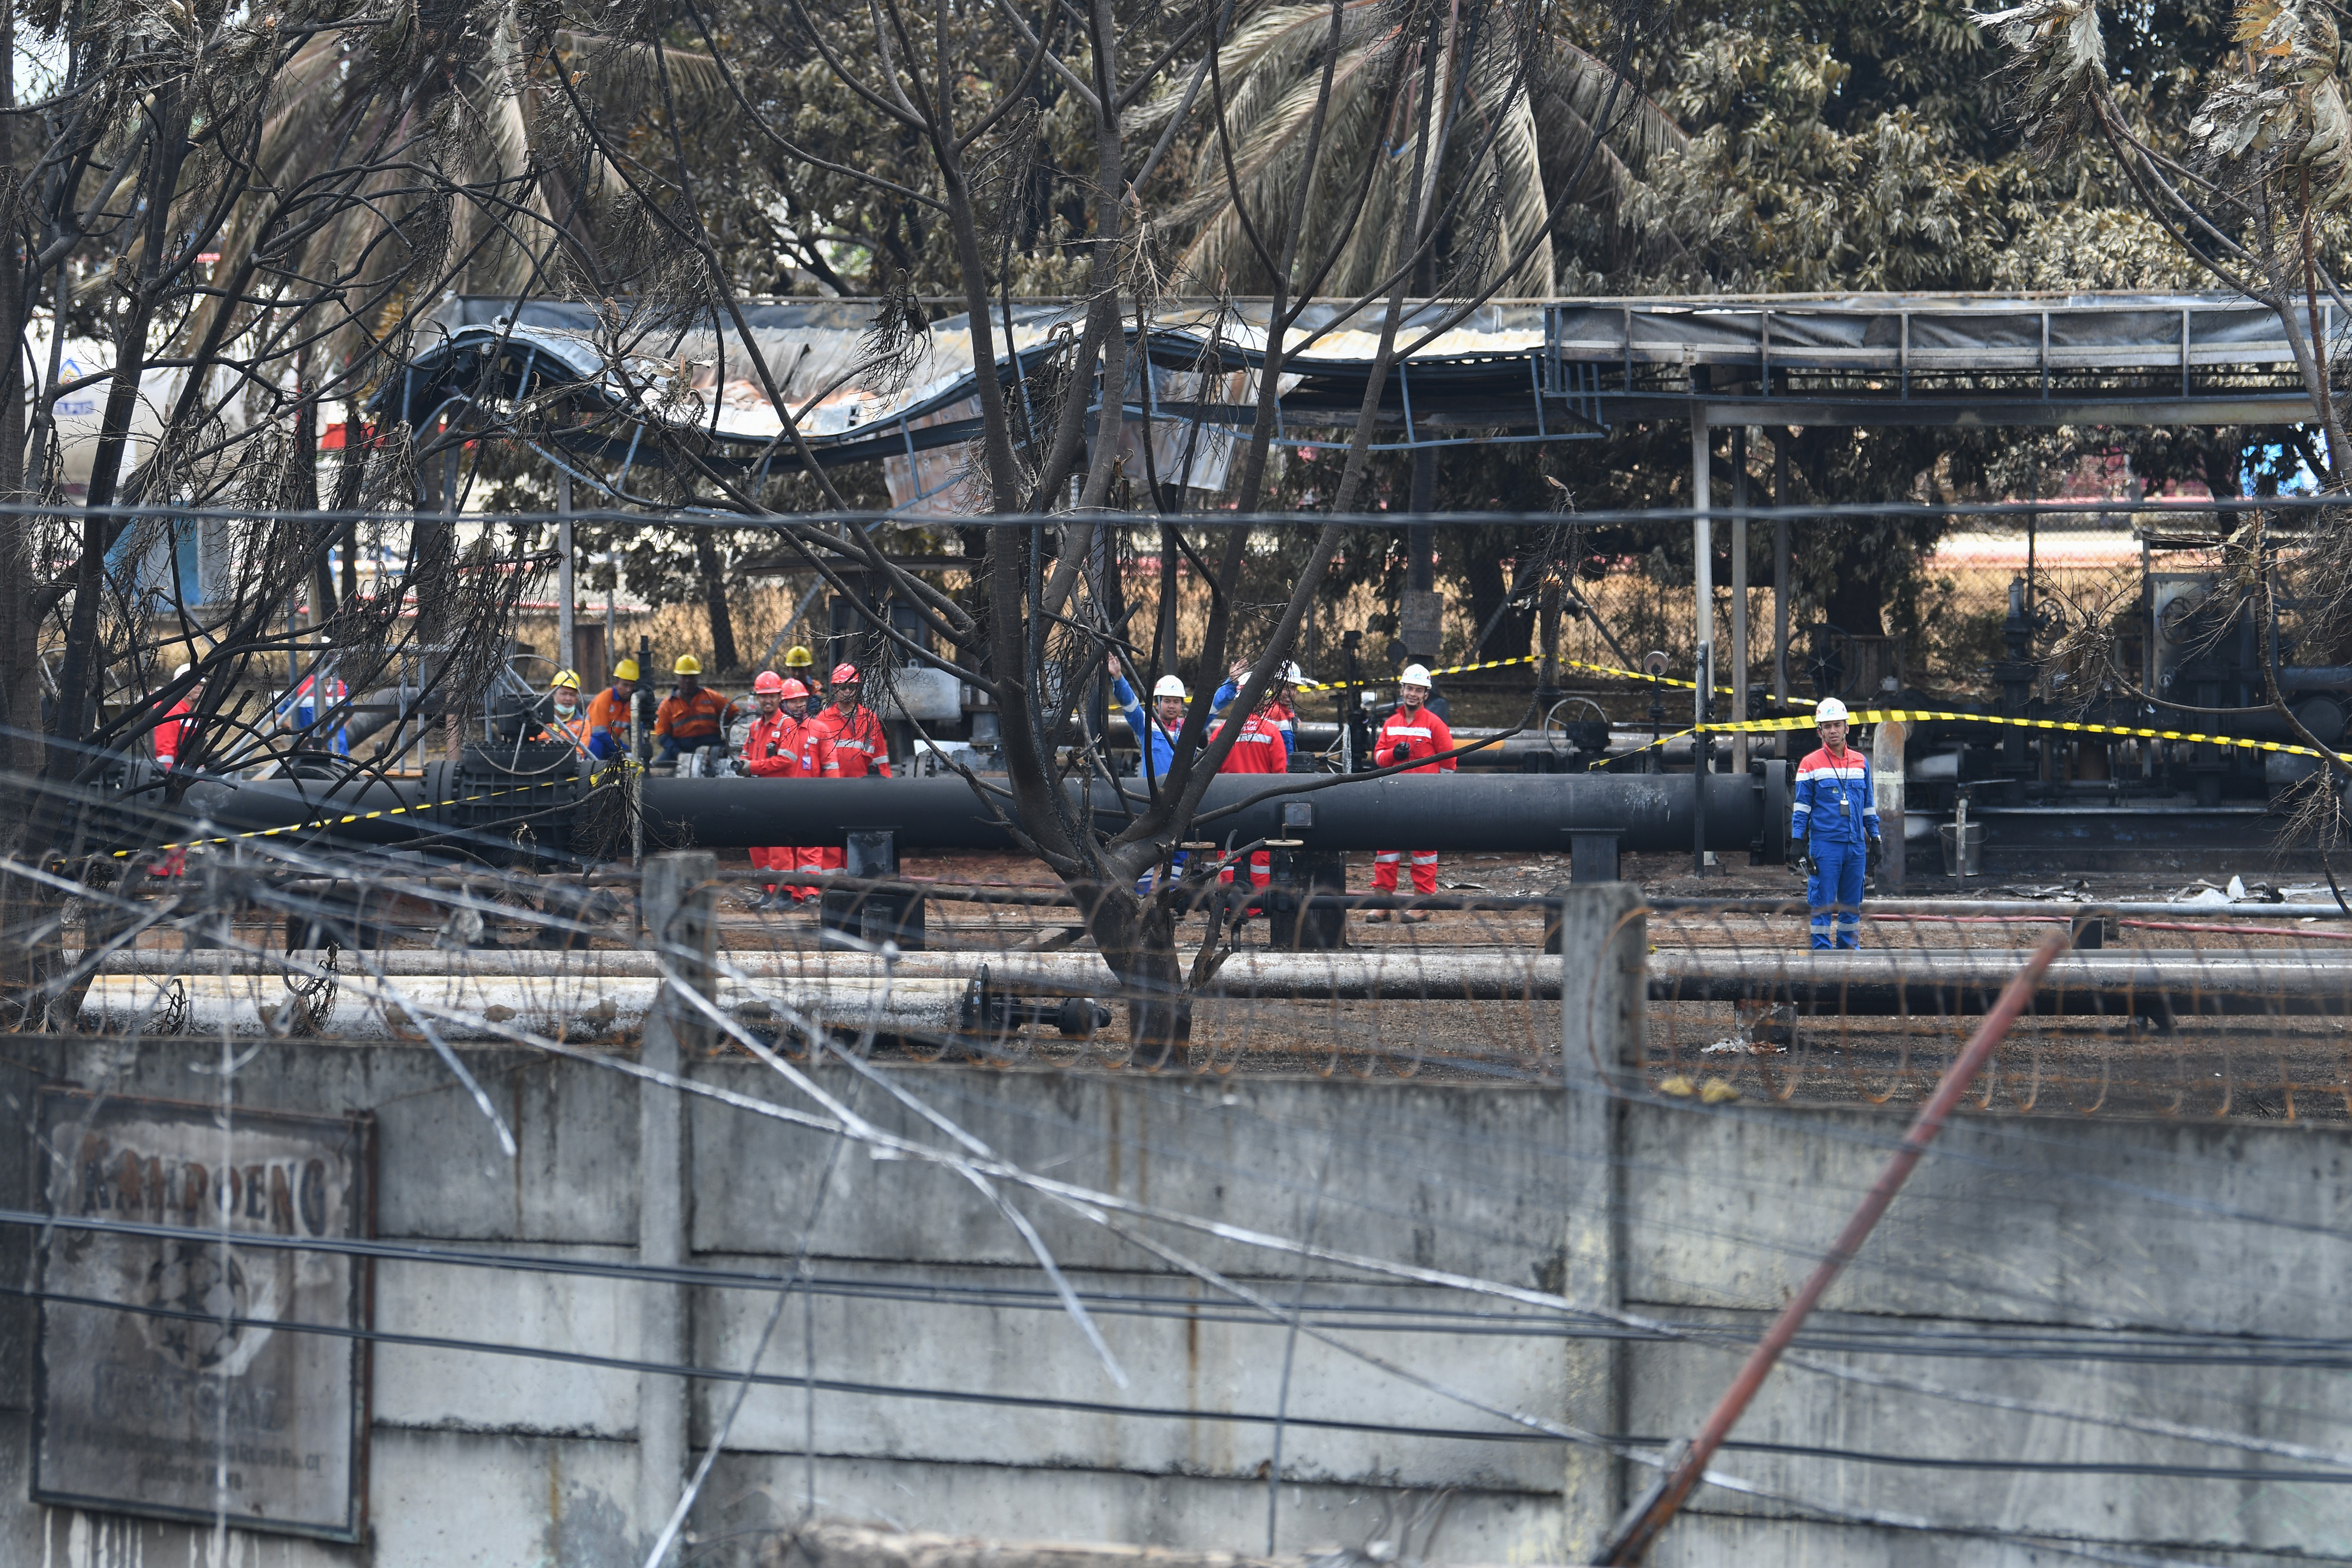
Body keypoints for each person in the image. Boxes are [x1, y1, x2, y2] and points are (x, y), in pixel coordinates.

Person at [1364, 664, 1455, 924]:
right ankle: (1382, 903)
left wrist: (1440, 795)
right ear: (1402, 690)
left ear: (1426, 695)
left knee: (1424, 852)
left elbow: (1449, 763)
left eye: (1418, 690)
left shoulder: (1435, 725)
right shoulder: (1391, 725)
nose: (1413, 694)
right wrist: (1395, 755)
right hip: (1393, 797)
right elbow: (1379, 757)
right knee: (1386, 852)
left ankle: (1421, 904)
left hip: (1425, 800)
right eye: (1409, 689)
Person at [1792, 696, 1882, 950]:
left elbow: (1868, 806)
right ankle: (1823, 958)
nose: (1833, 731)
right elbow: (1801, 808)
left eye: (1838, 725)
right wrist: (1797, 840)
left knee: (1851, 906)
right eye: (1827, 726)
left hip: (1855, 847)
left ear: (1847, 727)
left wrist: (1875, 838)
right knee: (1822, 904)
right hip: (1825, 846)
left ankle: (1849, 957)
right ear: (1819, 730)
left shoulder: (1860, 762)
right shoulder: (1810, 764)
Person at [1208, 664, 1291, 908]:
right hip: (1261, 808)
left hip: (1227, 808)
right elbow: (1280, 777)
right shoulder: (1271, 731)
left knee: (1228, 858)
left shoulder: (1221, 733)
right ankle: (1257, 906)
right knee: (1260, 860)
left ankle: (1228, 906)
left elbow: (1210, 776)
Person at [800, 663, 893, 876]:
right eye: (842, 687)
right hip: (832, 791)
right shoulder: (823, 720)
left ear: (858, 688)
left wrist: (887, 791)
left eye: (851, 687)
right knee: (833, 840)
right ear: (834, 689)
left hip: (862, 792)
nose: (847, 692)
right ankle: (834, 884)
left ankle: (858, 878)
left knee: (860, 838)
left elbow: (881, 759)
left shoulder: (870, 719)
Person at [1110, 657, 1191, 892]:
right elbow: (1131, 705)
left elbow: (1213, 707)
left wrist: (1230, 685)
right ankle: (1141, 898)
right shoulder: (1147, 726)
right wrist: (1118, 677)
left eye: (1176, 701)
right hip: (1152, 800)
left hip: (1180, 801)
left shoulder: (1189, 730)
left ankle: (1171, 898)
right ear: (1158, 703)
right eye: (1167, 701)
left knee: (1178, 852)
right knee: (1144, 850)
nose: (1172, 706)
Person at [741, 670, 807, 909]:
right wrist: (744, 764)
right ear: (758, 698)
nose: (767, 701)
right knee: (758, 844)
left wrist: (753, 767)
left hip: (780, 793)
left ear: (780, 697)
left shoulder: (787, 725)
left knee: (779, 846)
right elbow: (745, 754)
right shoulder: (755, 727)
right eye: (763, 696)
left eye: (771, 695)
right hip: (758, 793)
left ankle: (785, 895)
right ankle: (768, 891)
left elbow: (787, 760)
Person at [151, 663, 201, 878]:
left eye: (202, 684)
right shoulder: (173, 710)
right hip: (172, 778)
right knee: (173, 824)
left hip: (184, 776)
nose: (199, 687)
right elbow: (165, 751)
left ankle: (170, 872)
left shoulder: (186, 710)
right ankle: (164, 873)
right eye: (194, 683)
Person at [653, 653, 736, 766]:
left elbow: (735, 714)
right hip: (681, 747)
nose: (688, 681)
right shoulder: (667, 706)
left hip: (712, 744)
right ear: (677, 677)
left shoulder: (712, 697)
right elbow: (663, 736)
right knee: (659, 767)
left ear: (697, 677)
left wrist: (729, 741)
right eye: (684, 677)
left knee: (733, 763)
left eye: (691, 677)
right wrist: (679, 755)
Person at [586, 658, 640, 763]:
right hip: (591, 743)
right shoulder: (604, 699)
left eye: (632, 686)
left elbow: (636, 733)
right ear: (616, 683)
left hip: (611, 745)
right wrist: (623, 749)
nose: (629, 690)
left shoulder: (633, 702)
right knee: (596, 744)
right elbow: (599, 734)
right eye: (625, 685)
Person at [536, 669, 590, 753]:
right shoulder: (538, 720)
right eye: (564, 694)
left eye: (572, 695)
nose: (568, 699)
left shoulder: (583, 725)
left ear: (577, 699)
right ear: (553, 695)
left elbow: (580, 754)